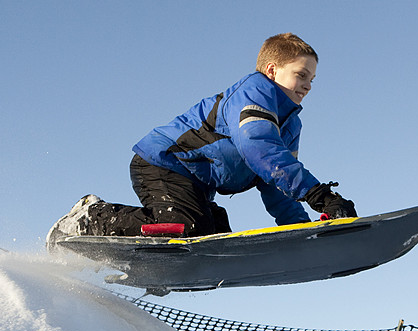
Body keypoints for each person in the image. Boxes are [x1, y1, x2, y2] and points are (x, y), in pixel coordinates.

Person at [47, 32, 356, 248]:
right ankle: (92, 218)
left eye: (312, 79)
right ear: (272, 70)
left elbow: (276, 180)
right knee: (188, 229)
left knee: (212, 240)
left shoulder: (290, 124)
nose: (308, 85)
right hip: (164, 164)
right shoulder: (255, 92)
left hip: (194, 182)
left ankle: (158, 261)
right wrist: (320, 195)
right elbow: (259, 148)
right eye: (301, 75)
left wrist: (300, 231)